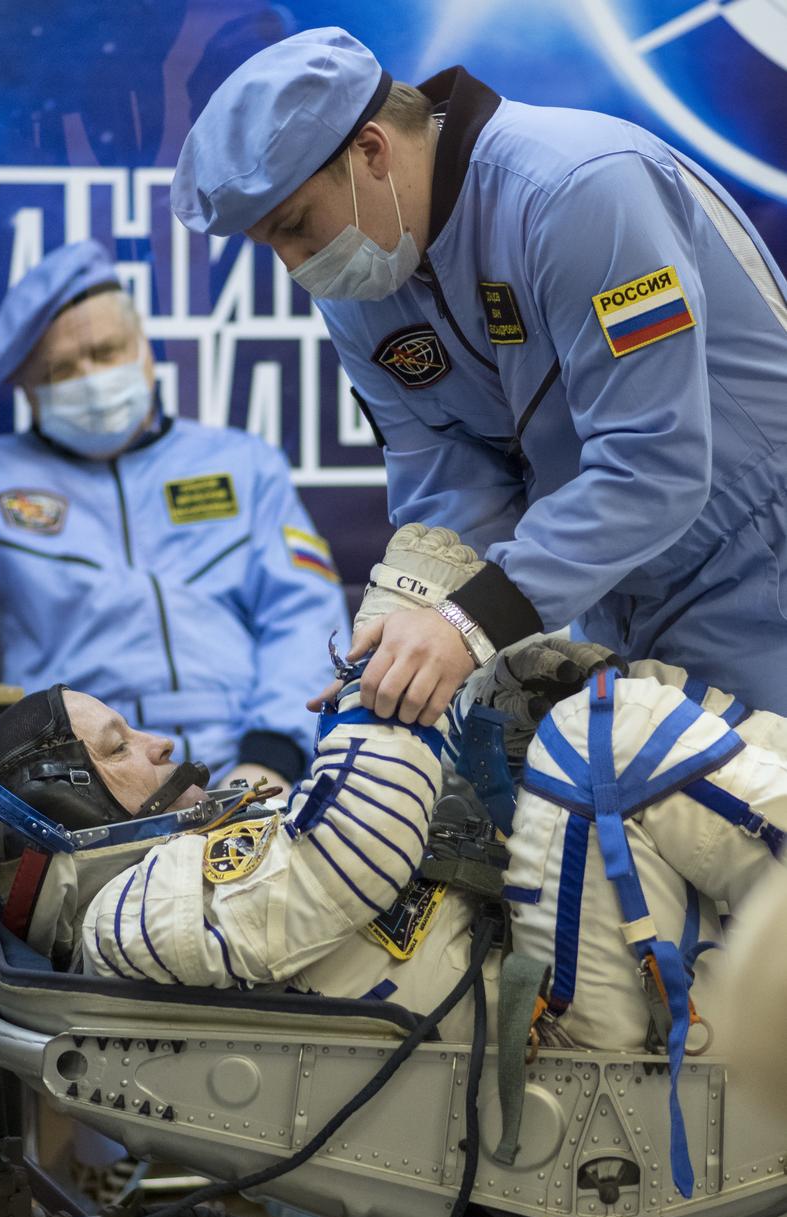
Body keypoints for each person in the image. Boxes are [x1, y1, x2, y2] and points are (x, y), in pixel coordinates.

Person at [0, 526, 785, 1083]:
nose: (157, 746)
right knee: (612, 736)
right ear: (63, 811)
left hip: (550, 978)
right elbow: (355, 843)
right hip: (555, 1034)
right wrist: (398, 641)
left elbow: (394, 845)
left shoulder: (170, 878)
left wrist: (489, 713)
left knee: (585, 702)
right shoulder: (132, 916)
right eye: (117, 748)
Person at [170, 27, 787, 721]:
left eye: (294, 226)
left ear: (369, 150)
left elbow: (654, 460)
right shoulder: (359, 283)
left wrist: (468, 624)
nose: (294, 264)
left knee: (747, 819)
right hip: (605, 592)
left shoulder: (580, 187)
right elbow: (445, 477)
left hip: (757, 567)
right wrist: (409, 618)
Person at [0, 240, 350, 790]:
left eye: (107, 352)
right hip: (76, 783)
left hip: (255, 766)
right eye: (62, 369)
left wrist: (272, 756)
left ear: (146, 350)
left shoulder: (245, 465)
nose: (92, 377)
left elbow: (303, 617)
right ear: (27, 391)